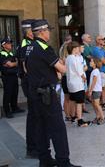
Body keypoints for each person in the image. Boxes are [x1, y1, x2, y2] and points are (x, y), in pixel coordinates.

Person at [26, 19, 80, 167]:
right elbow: (62, 69)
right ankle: (64, 162)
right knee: (58, 129)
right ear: (42, 32)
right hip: (46, 94)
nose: (49, 32)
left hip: (34, 92)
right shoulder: (44, 48)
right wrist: (61, 68)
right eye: (48, 30)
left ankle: (45, 160)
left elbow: (27, 68)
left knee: (41, 128)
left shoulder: (30, 47)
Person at [17, 19, 36, 157]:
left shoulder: (31, 43)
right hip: (30, 83)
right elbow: (25, 67)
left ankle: (36, 145)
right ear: (29, 32)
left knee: (36, 115)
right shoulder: (25, 45)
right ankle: (32, 148)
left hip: (33, 82)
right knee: (33, 115)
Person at [66, 41, 89, 127]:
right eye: (77, 48)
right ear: (74, 49)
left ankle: (73, 117)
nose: (79, 49)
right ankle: (80, 120)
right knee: (79, 102)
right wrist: (84, 78)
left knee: (72, 99)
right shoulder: (74, 58)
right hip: (77, 83)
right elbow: (79, 70)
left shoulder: (68, 58)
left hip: (71, 83)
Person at [0, 37, 20, 118]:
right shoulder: (2, 54)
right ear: (3, 45)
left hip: (14, 75)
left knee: (15, 92)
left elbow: (12, 64)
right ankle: (7, 111)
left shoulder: (11, 54)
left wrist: (13, 64)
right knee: (8, 94)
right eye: (8, 43)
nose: (10, 44)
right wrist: (14, 63)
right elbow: (10, 64)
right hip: (7, 77)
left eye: (10, 43)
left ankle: (14, 108)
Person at [88, 58, 105, 125]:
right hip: (94, 90)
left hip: (96, 90)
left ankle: (103, 117)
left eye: (91, 61)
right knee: (94, 104)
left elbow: (94, 81)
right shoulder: (94, 71)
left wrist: (90, 90)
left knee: (96, 104)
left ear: (95, 64)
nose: (90, 62)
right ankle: (98, 117)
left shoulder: (95, 71)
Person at [58, 35, 72, 121]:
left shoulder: (64, 56)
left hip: (67, 77)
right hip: (66, 77)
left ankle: (69, 114)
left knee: (68, 97)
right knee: (67, 97)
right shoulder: (65, 58)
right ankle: (68, 114)